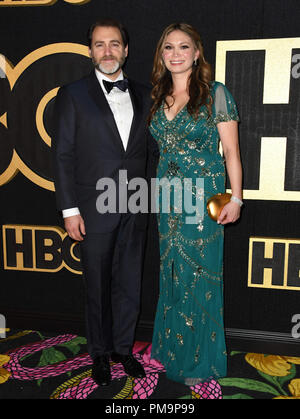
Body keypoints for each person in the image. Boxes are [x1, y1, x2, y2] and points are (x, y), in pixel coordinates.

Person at [52, 19, 157, 386]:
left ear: (126, 50)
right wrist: (69, 209)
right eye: (100, 45)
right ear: (91, 51)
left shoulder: (147, 94)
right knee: (96, 282)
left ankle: (123, 349)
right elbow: (62, 155)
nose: (108, 51)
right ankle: (99, 353)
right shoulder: (73, 94)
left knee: (130, 279)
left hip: (137, 203)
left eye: (115, 44)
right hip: (93, 208)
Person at [148, 23, 243, 385]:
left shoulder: (215, 93)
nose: (175, 54)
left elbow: (232, 151)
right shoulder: (159, 95)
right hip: (168, 198)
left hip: (204, 197)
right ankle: (170, 349)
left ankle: (199, 361)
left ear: (197, 53)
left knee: (199, 276)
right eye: (168, 48)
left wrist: (236, 197)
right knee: (171, 274)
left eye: (183, 47)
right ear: (162, 55)